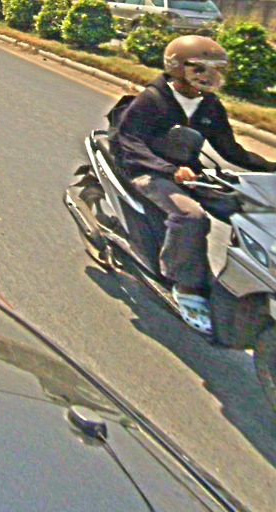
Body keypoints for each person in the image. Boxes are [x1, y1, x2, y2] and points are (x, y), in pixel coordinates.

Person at [111, 35, 276, 335]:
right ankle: (185, 284)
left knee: (244, 208)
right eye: (199, 69)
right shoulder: (152, 99)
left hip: (187, 171)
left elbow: (231, 150)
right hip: (146, 170)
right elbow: (129, 142)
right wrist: (169, 170)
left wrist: (271, 168)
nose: (209, 76)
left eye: (216, 70)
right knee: (191, 216)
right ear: (177, 68)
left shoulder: (209, 105)